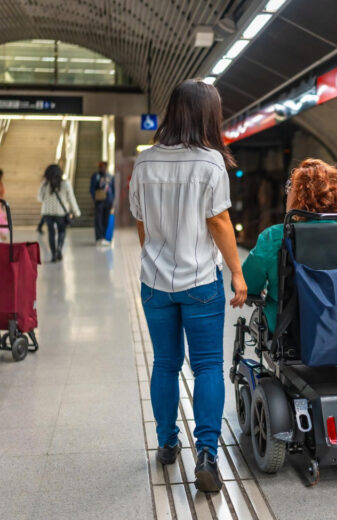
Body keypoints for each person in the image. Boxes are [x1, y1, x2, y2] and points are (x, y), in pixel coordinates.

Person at [128, 79, 247, 493]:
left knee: (165, 363)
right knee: (208, 366)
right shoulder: (211, 163)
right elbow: (218, 223)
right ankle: (208, 454)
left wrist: (159, 259)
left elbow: (142, 226)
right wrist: (236, 271)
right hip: (200, 281)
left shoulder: (144, 164)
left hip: (156, 283)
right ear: (207, 115)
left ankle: (166, 444)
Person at [241, 158, 337, 333]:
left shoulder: (276, 236)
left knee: (259, 321)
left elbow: (247, 283)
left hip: (291, 332)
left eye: (290, 188)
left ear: (298, 196)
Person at [38, 164, 81, 262]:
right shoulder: (65, 184)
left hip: (47, 213)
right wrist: (76, 212)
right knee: (62, 231)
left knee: (51, 233)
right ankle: (59, 248)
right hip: (61, 213)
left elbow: (39, 198)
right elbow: (71, 198)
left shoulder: (44, 184)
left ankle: (53, 254)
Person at [90, 161, 115, 245]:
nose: (102, 168)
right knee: (98, 220)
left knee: (106, 219)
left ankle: (104, 237)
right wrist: (95, 197)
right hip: (99, 201)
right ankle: (99, 238)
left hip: (108, 201)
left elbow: (113, 189)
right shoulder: (96, 176)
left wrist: (112, 200)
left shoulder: (110, 176)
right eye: (100, 167)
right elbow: (92, 188)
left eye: (103, 167)